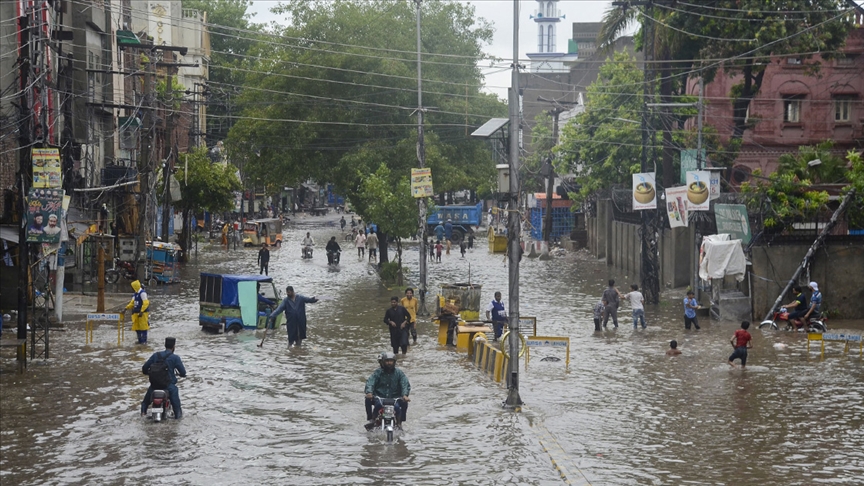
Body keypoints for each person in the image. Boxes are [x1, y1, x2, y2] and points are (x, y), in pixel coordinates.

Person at [141, 337, 187, 418]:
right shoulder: (175, 358)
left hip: (154, 386)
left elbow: (145, 368)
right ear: (174, 347)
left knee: (145, 403)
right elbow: (183, 372)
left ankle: (143, 413)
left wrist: (147, 373)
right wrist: (182, 375)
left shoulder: (155, 355)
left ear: (165, 345)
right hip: (169, 386)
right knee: (177, 409)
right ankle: (177, 419)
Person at [364, 352, 411, 430]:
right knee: (369, 400)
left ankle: (400, 423)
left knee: (401, 406)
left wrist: (405, 395)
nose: (389, 363)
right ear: (383, 362)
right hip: (379, 397)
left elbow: (405, 384)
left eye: (391, 361)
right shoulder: (378, 372)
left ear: (394, 362)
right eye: (387, 361)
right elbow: (370, 382)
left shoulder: (399, 373)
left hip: (395, 398)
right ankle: (371, 419)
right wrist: (369, 392)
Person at [125, 280, 150, 344]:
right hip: (136, 313)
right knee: (137, 328)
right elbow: (132, 303)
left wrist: (142, 311)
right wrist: (126, 308)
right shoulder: (135, 294)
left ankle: (144, 342)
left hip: (143, 314)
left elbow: (146, 303)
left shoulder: (142, 293)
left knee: (143, 327)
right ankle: (140, 341)